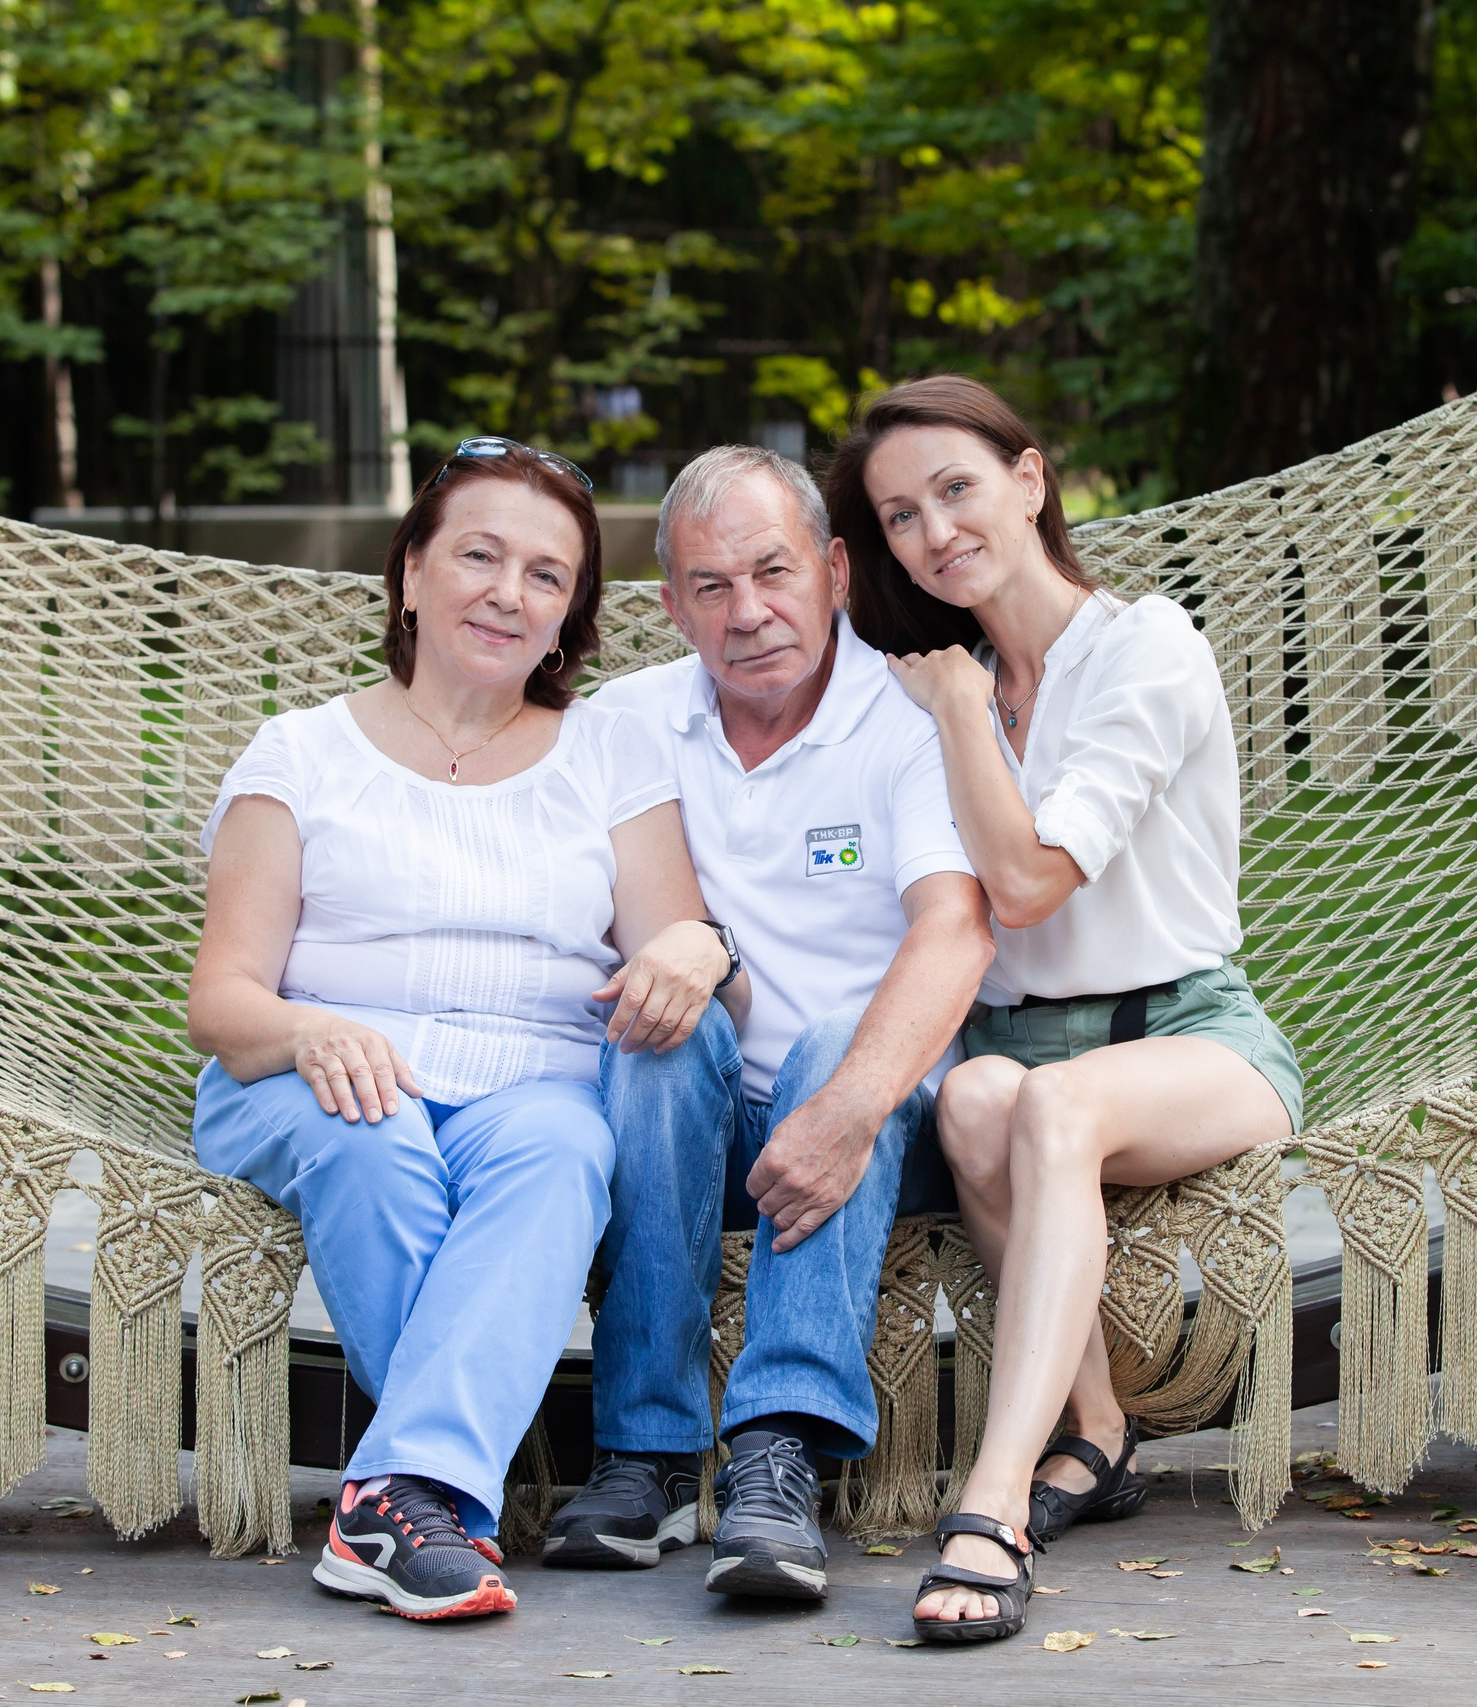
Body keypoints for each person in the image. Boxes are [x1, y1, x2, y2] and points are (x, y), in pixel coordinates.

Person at [185, 437, 744, 1623]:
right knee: (375, 1139)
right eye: (479, 555)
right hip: (310, 1067)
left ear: (568, 621)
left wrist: (697, 950)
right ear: (410, 577)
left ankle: (395, 1504)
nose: (508, 591)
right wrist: (308, 1028)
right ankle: (427, 1491)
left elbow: (676, 948)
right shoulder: (302, 752)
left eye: (547, 576)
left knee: (563, 1153)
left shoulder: (608, 754)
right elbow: (223, 1002)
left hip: (530, 1081)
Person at [833, 377, 1305, 1644]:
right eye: (898, 518)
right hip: (1014, 1052)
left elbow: (1031, 884)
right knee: (985, 1095)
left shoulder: (1142, 648)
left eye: (955, 490)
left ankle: (991, 1501)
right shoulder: (947, 677)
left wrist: (960, 719)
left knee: (1041, 1103)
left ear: (1030, 481)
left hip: (1192, 1035)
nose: (933, 532)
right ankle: (1099, 1434)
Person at [543, 444, 997, 1602]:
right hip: (697, 1115)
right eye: (711, 587)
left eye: (773, 572)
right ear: (671, 608)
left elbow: (955, 931)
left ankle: (774, 1454)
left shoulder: (906, 722)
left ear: (835, 570)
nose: (748, 613)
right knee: (656, 1039)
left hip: (879, 1109)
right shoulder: (624, 724)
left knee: (829, 1041)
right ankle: (643, 1454)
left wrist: (848, 1108)